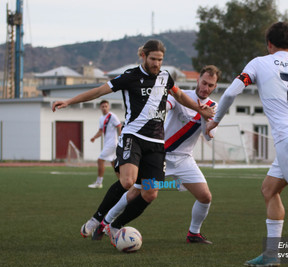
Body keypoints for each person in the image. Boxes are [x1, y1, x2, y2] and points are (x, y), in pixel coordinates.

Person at [52, 39, 214, 238]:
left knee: (150, 192)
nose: (157, 64)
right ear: (143, 56)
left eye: (160, 60)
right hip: (133, 137)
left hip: (156, 144)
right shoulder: (130, 76)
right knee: (128, 181)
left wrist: (200, 110)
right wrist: (69, 101)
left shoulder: (165, 77)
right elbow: (98, 91)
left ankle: (115, 225)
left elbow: (179, 96)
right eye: (153, 59)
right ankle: (96, 219)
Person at [206, 22, 288, 267]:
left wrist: (215, 121)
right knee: (269, 189)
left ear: (269, 44)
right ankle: (271, 253)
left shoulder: (259, 63)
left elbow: (229, 94)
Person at [92, 65, 221, 245]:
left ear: (215, 87)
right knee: (136, 191)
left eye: (210, 85)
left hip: (185, 159)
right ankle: (105, 223)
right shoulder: (181, 95)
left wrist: (208, 127)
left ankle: (194, 233)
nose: (205, 88)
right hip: (162, 156)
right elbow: (165, 105)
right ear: (198, 80)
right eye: (204, 83)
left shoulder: (213, 106)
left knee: (205, 197)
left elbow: (207, 135)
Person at [88, 100, 122, 188]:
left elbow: (119, 126)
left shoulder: (112, 116)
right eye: (103, 106)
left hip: (112, 143)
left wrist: (121, 138)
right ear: (100, 107)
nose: (104, 108)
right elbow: (100, 131)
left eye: (106, 106)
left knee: (100, 160)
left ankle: (99, 183)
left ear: (109, 107)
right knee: (114, 163)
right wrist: (94, 137)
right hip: (108, 143)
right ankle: (122, 182)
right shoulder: (101, 118)